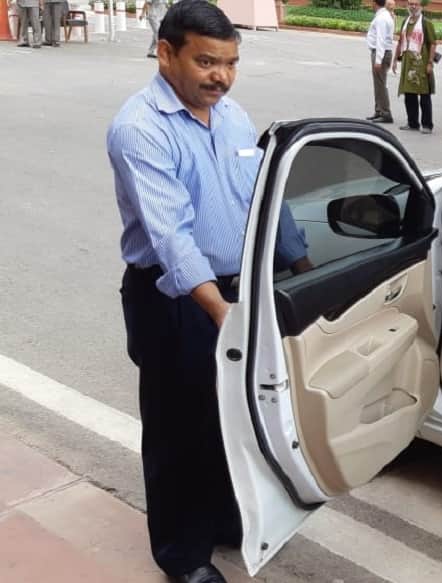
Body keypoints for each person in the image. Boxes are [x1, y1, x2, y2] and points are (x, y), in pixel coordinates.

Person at [107, 4, 312, 582]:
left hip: (235, 292)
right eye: (206, 61)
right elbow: (170, 236)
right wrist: (223, 314)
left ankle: (227, 520)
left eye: (230, 63)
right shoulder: (139, 128)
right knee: (179, 429)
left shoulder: (235, 117)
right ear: (166, 52)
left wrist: (300, 263)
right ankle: (183, 555)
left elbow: (261, 198)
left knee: (233, 418)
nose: (220, 76)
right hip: (173, 299)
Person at [394, 0, 437, 134]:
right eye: (410, 4)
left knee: (424, 94)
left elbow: (433, 44)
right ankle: (412, 123)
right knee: (409, 94)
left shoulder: (426, 23)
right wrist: (395, 59)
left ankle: (427, 125)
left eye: (415, 4)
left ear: (420, 6)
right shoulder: (405, 21)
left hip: (421, 63)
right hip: (408, 63)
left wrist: (430, 62)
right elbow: (401, 41)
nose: (413, 6)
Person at [365, 0, 396, 124]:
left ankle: (385, 113)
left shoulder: (382, 18)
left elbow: (381, 40)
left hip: (380, 53)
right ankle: (379, 110)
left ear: (374, 3)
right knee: (378, 84)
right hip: (382, 52)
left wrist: (378, 60)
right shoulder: (384, 15)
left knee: (381, 84)